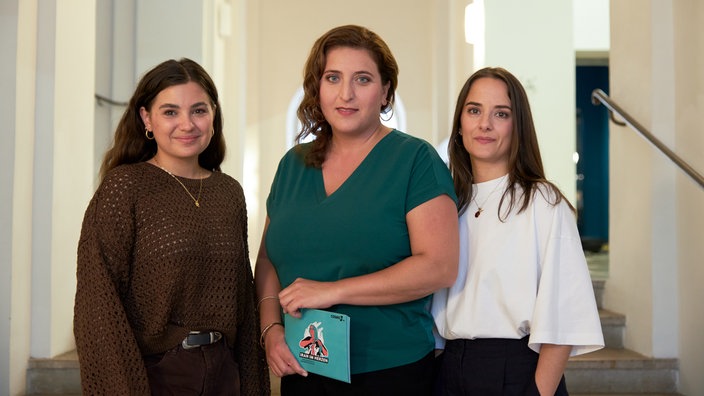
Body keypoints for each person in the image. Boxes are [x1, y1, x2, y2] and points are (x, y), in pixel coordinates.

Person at [254, 25, 459, 395]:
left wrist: (332, 291)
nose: (345, 93)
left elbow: (439, 267)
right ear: (318, 88)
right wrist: (271, 330)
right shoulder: (292, 165)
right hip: (303, 366)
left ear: (384, 92)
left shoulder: (415, 160)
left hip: (389, 370)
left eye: (362, 79)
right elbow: (268, 259)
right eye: (333, 78)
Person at [73, 58, 270, 395]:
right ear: (146, 118)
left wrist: (253, 384)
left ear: (213, 115)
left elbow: (243, 301)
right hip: (155, 376)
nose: (187, 124)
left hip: (225, 374)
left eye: (198, 110)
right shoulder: (126, 187)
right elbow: (98, 300)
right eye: (170, 112)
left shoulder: (228, 192)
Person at [431, 67, 604, 395]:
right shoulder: (445, 204)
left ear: (518, 126)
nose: (485, 124)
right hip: (448, 369)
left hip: (516, 372)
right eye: (474, 110)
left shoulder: (544, 203)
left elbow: (562, 317)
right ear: (459, 125)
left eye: (501, 113)